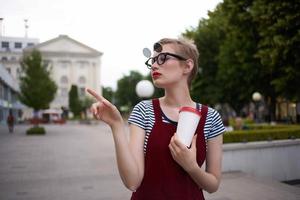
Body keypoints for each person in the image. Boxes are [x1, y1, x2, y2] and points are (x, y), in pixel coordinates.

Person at [87, 38, 225, 200]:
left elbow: (213, 185)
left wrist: (191, 166)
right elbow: (132, 182)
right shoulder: (144, 111)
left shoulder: (211, 117)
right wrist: (116, 125)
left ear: (187, 66)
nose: (153, 65)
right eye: (152, 60)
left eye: (163, 58)